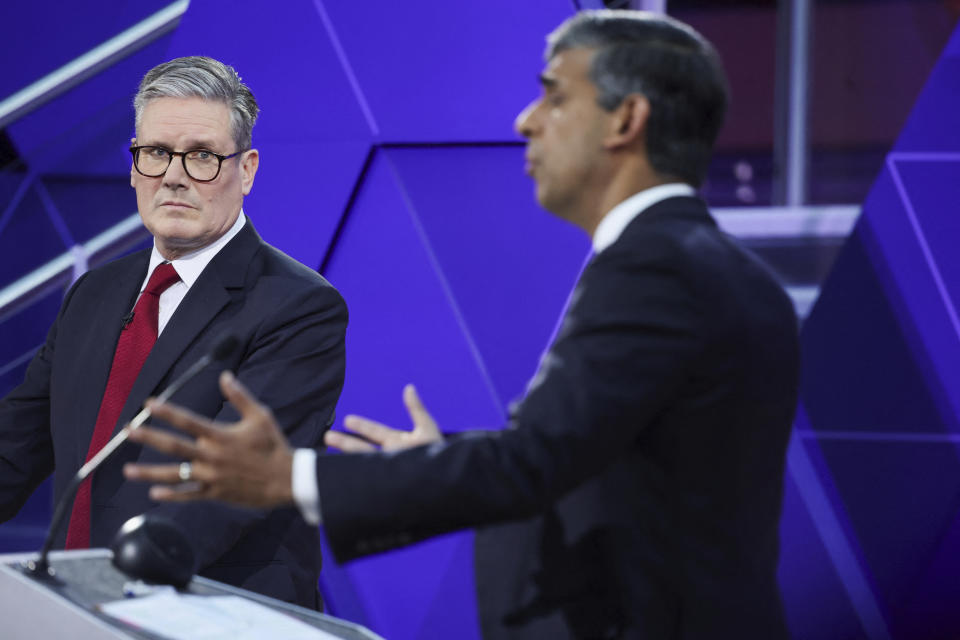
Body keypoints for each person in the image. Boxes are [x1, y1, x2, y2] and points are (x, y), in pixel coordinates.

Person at [125, 11, 799, 638]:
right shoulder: (709, 267)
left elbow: (534, 463)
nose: (527, 120)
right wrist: (437, 459)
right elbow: (614, 455)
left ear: (626, 119)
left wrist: (293, 479)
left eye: (555, 97)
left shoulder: (657, 268)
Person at [0, 56, 347, 609]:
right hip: (80, 612)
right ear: (135, 165)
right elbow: (14, 446)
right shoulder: (94, 293)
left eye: (203, 156)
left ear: (248, 169)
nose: (174, 175)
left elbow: (230, 488)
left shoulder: (299, 307)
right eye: (157, 153)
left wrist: (120, 580)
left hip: (209, 609)